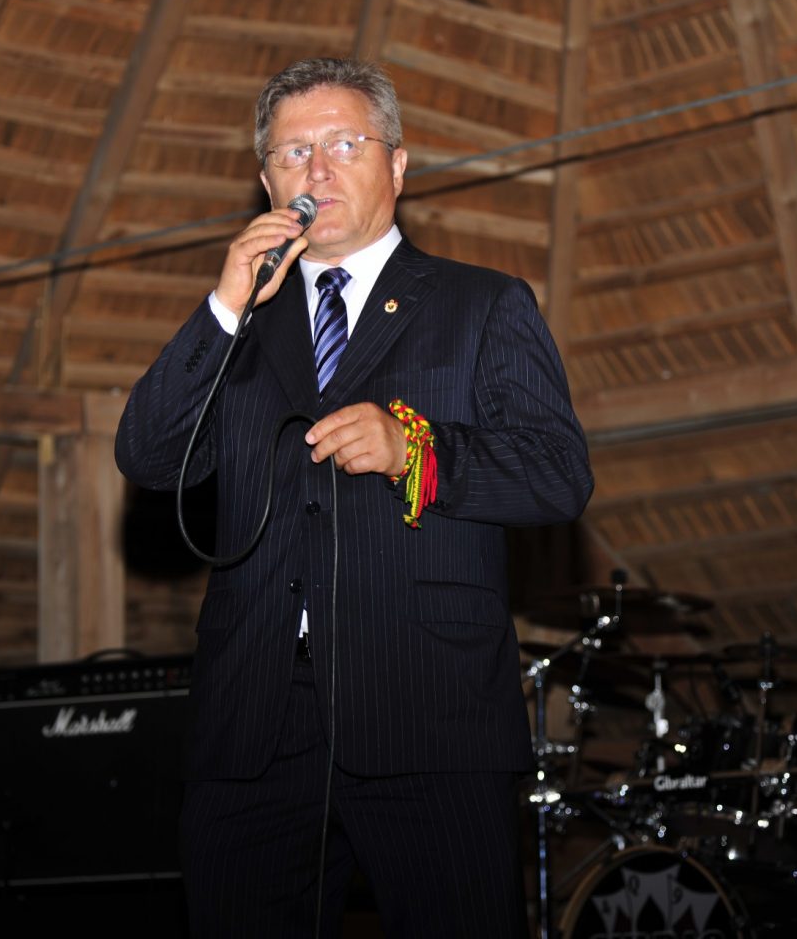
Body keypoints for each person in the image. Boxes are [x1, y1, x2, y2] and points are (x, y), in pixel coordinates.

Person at [115, 57, 593, 938]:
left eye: (343, 144)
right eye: (292, 153)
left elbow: (559, 473)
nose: (317, 170)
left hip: (429, 712)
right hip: (255, 724)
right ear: (267, 183)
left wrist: (417, 452)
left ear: (397, 165)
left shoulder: (484, 305)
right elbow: (146, 456)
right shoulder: (241, 323)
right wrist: (223, 306)